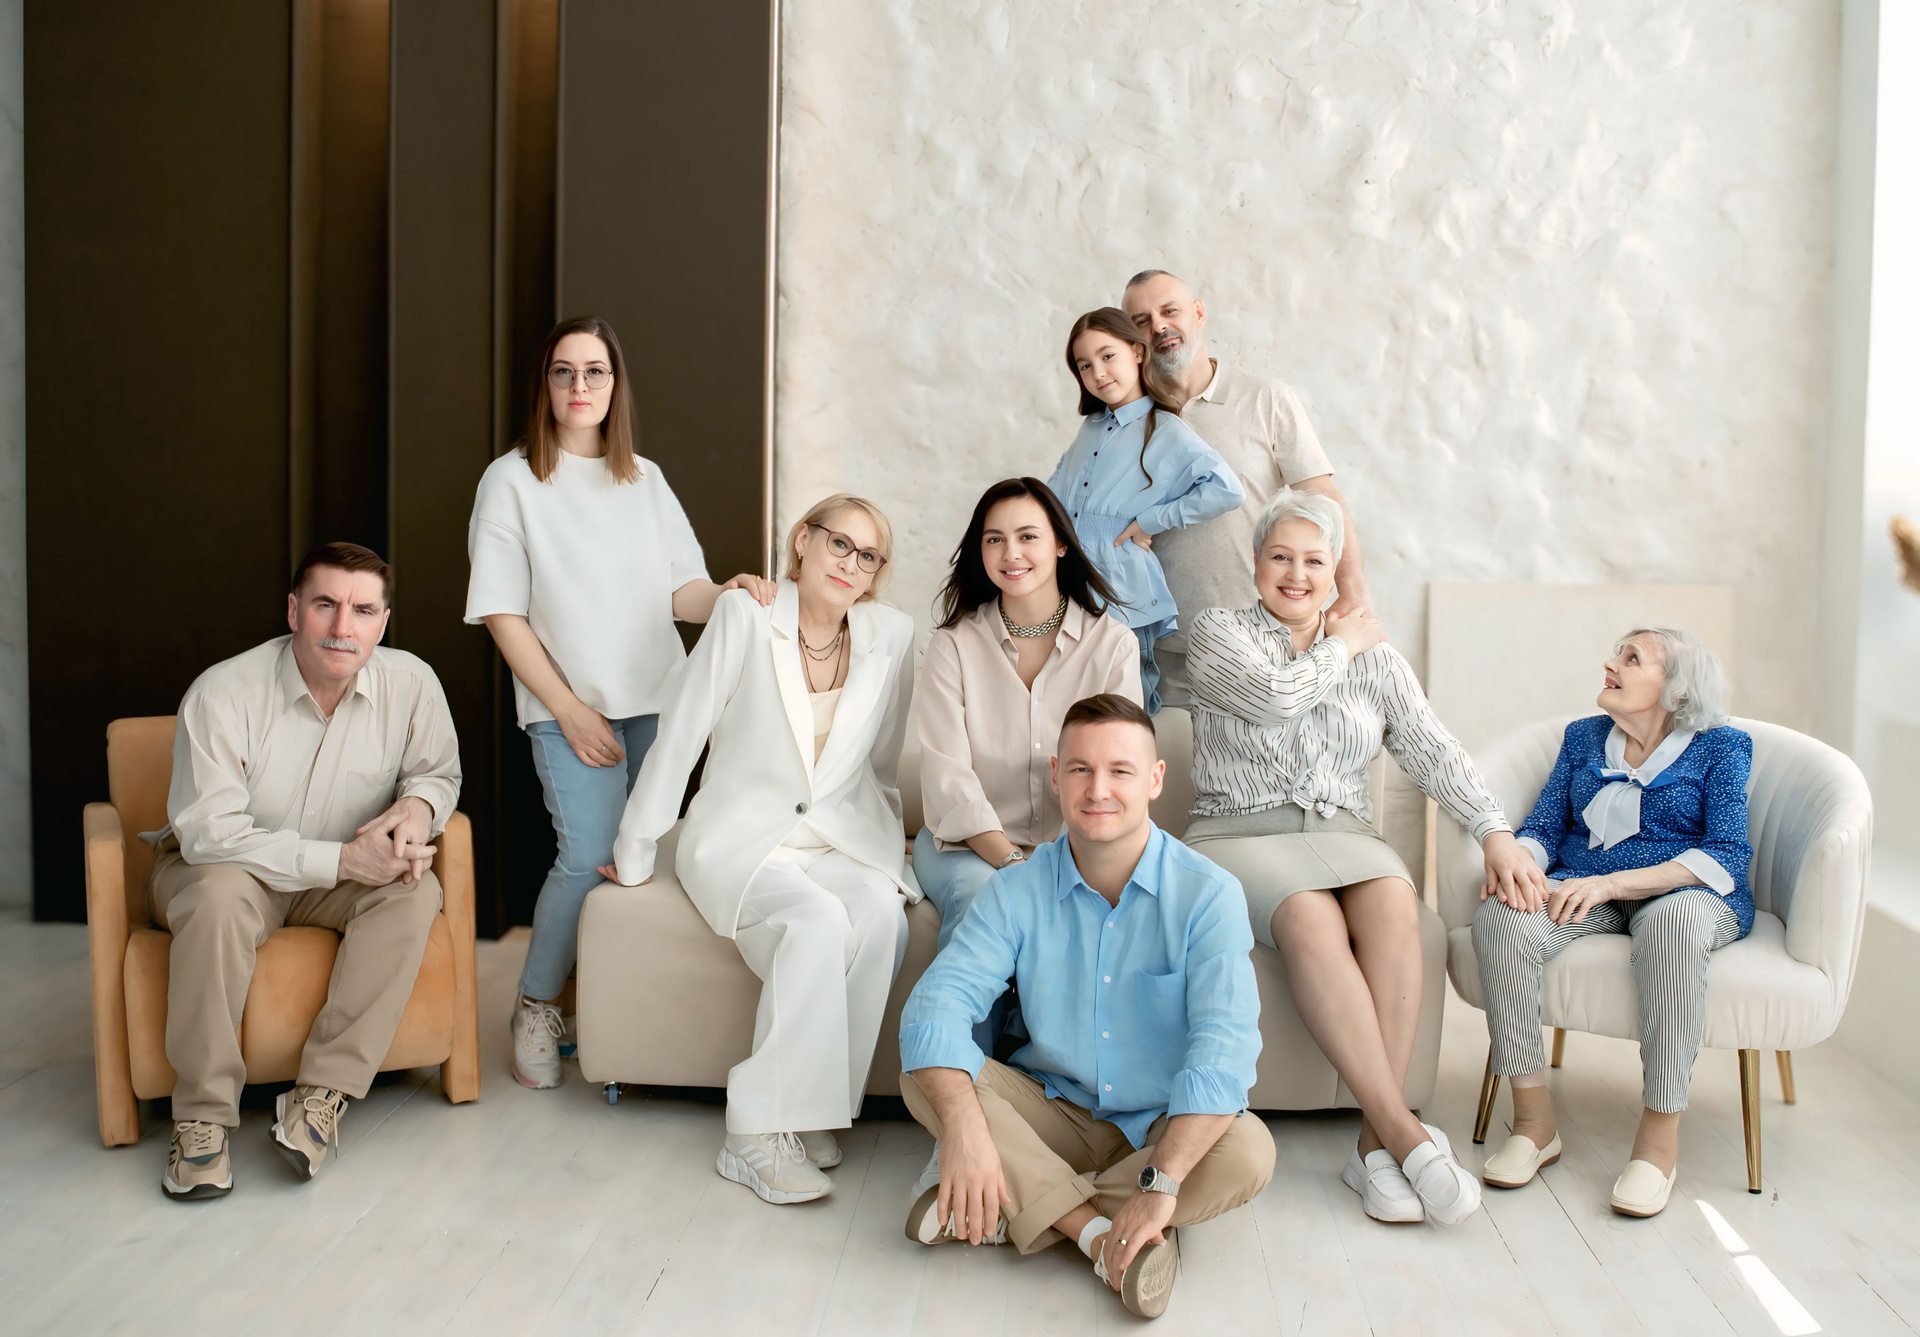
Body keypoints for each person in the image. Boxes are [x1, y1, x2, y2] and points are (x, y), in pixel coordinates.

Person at [1181, 488, 1542, 1227]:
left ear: (1334, 569)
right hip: (1240, 834)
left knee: (1393, 900)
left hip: (1344, 832)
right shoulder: (1219, 632)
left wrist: (1494, 830)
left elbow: (1432, 747)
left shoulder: (1377, 659)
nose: (1297, 574)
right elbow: (1275, 697)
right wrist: (1341, 645)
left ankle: (1374, 1144)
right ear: (1256, 564)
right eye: (1281, 557)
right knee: (1308, 916)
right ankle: (1407, 1135)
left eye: (1316, 561)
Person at [465, 316, 774, 1091]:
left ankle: (613, 1010)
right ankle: (537, 1002)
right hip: (566, 707)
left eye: (595, 371)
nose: (580, 386)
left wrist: (728, 591)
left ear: (615, 384)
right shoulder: (510, 481)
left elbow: (682, 590)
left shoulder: (646, 479)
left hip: (661, 704)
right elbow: (502, 611)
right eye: (564, 371)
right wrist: (570, 709)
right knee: (585, 857)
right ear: (545, 384)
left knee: (640, 864)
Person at [899, 694, 1273, 1321]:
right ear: (1056, 776)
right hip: (1052, 1111)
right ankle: (1097, 1236)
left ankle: (1012, 1203)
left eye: (1120, 771)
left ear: (1155, 779)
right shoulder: (1015, 889)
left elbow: (1224, 1055)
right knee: (926, 1076)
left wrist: (1162, 1182)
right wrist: (963, 1130)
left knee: (1249, 1151)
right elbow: (935, 1008)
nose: (1098, 790)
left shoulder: (1210, 895)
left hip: (1159, 1126)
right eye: (1080, 769)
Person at [598, 494, 916, 1207]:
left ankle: (812, 1112)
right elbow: (682, 733)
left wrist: (886, 841)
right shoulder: (744, 616)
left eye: (869, 556)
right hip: (745, 839)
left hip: (838, 837)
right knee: (815, 922)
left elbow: (883, 761)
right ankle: (753, 1132)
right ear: (803, 539)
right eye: (839, 543)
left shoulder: (891, 635)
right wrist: (637, 848)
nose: (851, 564)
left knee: (879, 915)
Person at [143, 542, 461, 1200]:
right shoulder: (224, 692)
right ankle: (202, 1118)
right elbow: (209, 835)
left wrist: (417, 807)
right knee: (218, 900)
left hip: (336, 878)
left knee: (413, 889)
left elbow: (437, 772)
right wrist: (341, 859)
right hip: (224, 870)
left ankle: (321, 1095)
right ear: (293, 611)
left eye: (363, 610)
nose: (343, 627)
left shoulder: (412, 684)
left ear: (383, 622)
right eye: (325, 605)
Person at [1473, 629, 1752, 1219]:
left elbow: (1726, 852)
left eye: (1632, 658)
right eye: (1616, 653)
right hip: (1585, 886)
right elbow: (1545, 826)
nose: (1610, 663)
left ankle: (1658, 1143)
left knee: (1673, 923)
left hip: (1683, 892)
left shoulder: (1723, 746)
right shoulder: (1584, 737)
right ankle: (1533, 1123)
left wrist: (1616, 883)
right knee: (1502, 915)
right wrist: (1521, 864)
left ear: (1677, 688)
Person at [1120, 269, 1371, 708]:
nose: (1158, 326)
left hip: (1263, 646)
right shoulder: (1126, 418)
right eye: (1142, 321)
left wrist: (1353, 592)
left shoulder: (1265, 398)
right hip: (1162, 654)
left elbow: (1325, 499)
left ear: (1199, 313)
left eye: (1169, 311)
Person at [1050, 306, 1244, 714]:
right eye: (1085, 366)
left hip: (1122, 586)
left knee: (1121, 708)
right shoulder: (1090, 428)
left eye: (1108, 356)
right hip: (1068, 582)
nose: (1098, 373)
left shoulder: (1167, 430)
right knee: (1068, 706)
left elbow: (1226, 489)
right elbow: (1054, 493)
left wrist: (1150, 520)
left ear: (1137, 352)